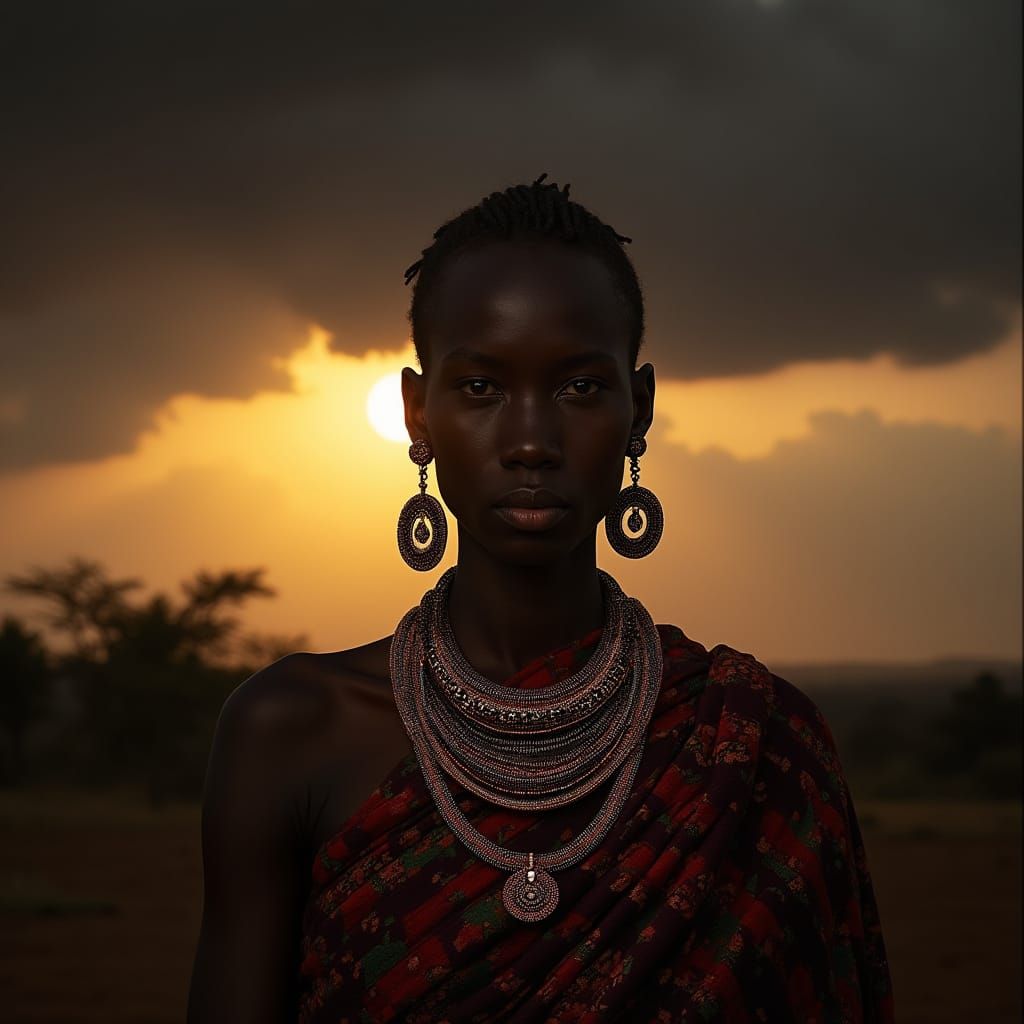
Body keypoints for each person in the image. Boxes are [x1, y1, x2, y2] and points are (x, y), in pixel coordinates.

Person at [187, 174, 895, 1023]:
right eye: (481, 388)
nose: (530, 440)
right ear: (417, 412)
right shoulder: (289, 733)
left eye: (579, 388)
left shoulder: (759, 744)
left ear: (641, 408)